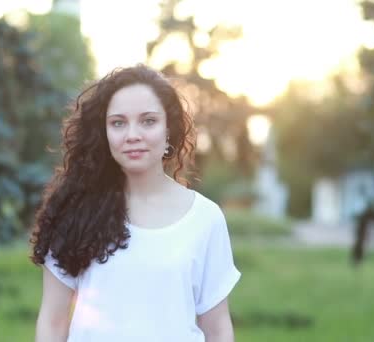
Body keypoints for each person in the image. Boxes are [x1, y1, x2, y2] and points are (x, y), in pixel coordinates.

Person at [30, 64, 241, 342]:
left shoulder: (205, 218)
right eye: (118, 122)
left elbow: (217, 327)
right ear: (103, 133)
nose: (132, 135)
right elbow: (52, 322)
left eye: (148, 121)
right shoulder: (75, 210)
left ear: (169, 129)